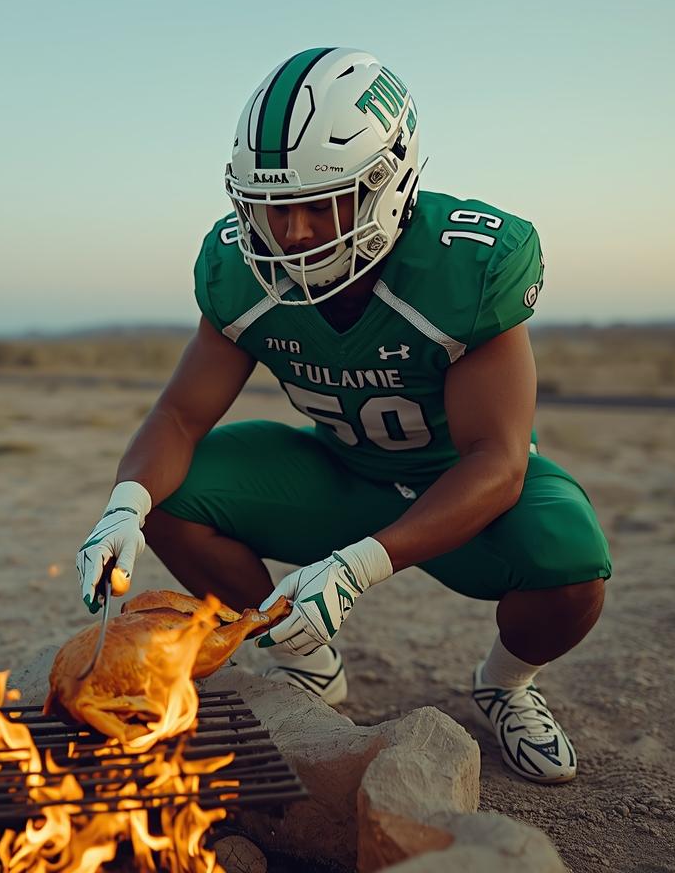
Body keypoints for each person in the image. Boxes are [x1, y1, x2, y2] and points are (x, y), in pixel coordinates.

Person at [73, 48, 610, 785]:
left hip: (457, 489)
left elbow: (499, 459)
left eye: (313, 204)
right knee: (169, 493)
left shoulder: (469, 263)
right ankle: (302, 655)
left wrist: (356, 569)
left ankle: (504, 684)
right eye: (267, 206)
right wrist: (123, 507)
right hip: (340, 469)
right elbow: (177, 415)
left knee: (571, 560)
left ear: (388, 182)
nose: (288, 235)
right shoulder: (240, 268)